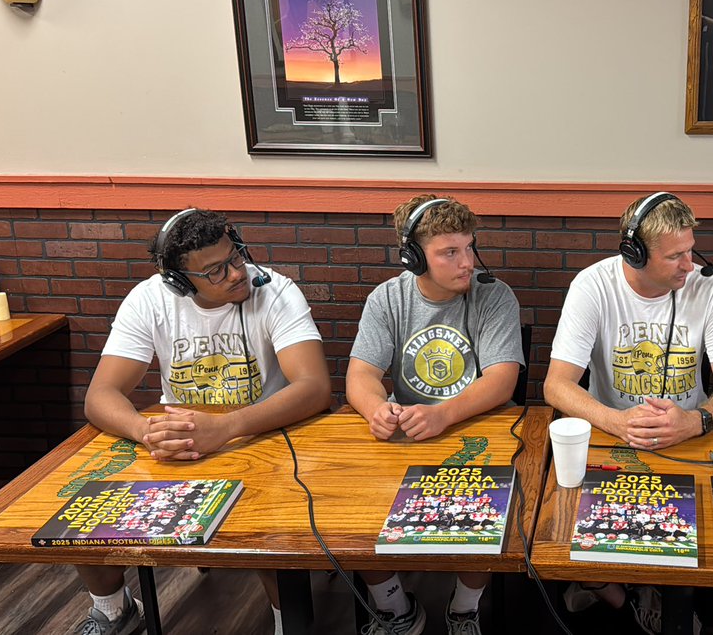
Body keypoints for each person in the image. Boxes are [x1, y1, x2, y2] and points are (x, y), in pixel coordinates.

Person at [76, 208, 332, 635]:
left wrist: (228, 428)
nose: (236, 273)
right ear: (178, 280)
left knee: (267, 542)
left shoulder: (275, 290)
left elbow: (314, 387)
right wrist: (146, 431)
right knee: (85, 516)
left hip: (260, 437)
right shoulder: (149, 300)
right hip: (178, 444)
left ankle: (288, 623)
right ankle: (114, 609)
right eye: (216, 271)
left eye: (236, 257)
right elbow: (100, 396)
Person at [543, 192, 713, 633]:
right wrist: (618, 422)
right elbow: (555, 386)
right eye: (675, 256)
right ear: (634, 253)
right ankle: (622, 592)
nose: (688, 265)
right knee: (562, 544)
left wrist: (696, 420)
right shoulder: (593, 285)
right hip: (612, 436)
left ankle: (652, 592)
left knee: (689, 544)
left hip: (691, 437)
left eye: (690, 250)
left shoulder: (711, 286)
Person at [346, 194, 524, 635]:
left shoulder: (493, 295)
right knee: (347, 512)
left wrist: (444, 414)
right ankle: (395, 609)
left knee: (490, 511)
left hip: (478, 432)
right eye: (450, 252)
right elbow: (360, 375)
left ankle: (464, 609)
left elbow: (503, 381)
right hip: (408, 438)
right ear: (413, 257)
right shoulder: (387, 299)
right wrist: (376, 409)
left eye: (469, 246)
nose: (468, 262)